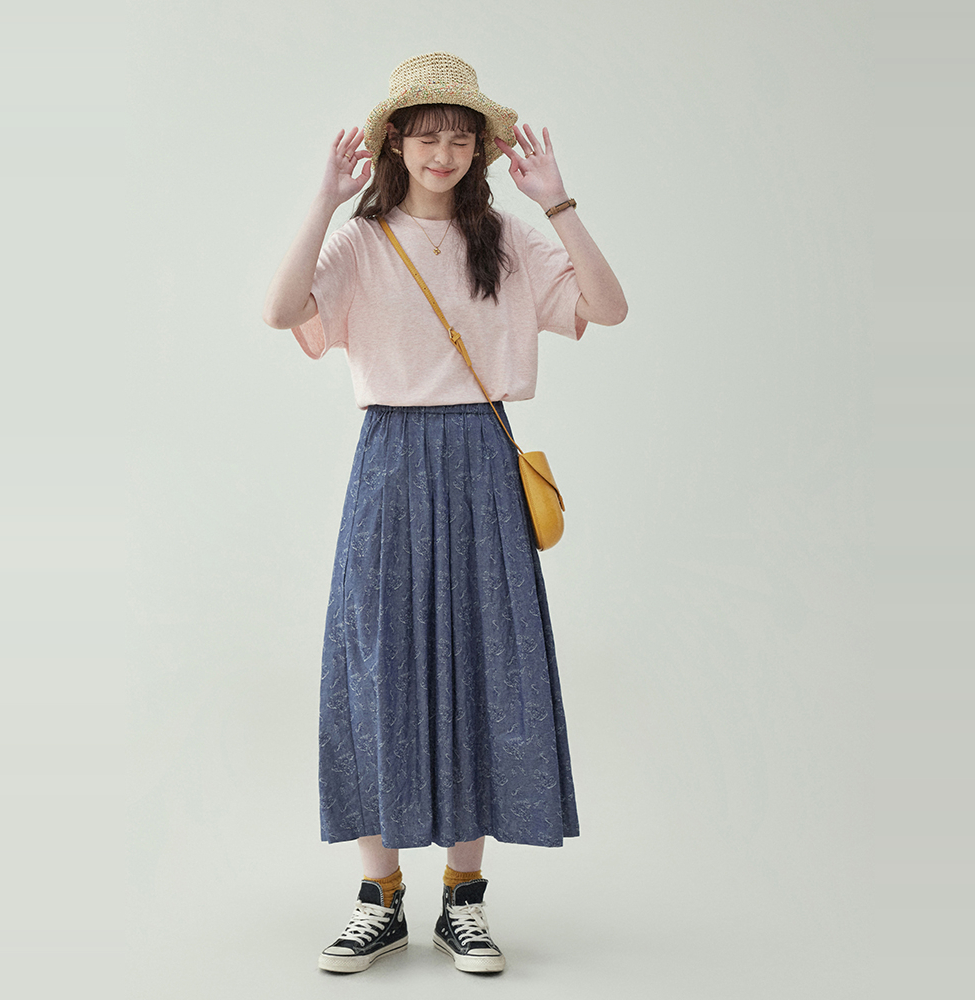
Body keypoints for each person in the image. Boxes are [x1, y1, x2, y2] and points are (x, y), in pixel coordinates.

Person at [262, 52, 626, 976]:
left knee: (485, 662)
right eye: (426, 135)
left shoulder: (507, 238)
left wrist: (557, 202)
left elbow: (608, 307)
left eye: (460, 137)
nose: (443, 152)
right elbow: (280, 310)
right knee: (373, 661)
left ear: (481, 150)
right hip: (389, 459)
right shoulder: (361, 240)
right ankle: (379, 898)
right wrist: (323, 200)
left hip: (481, 462)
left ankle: (464, 900)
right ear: (395, 142)